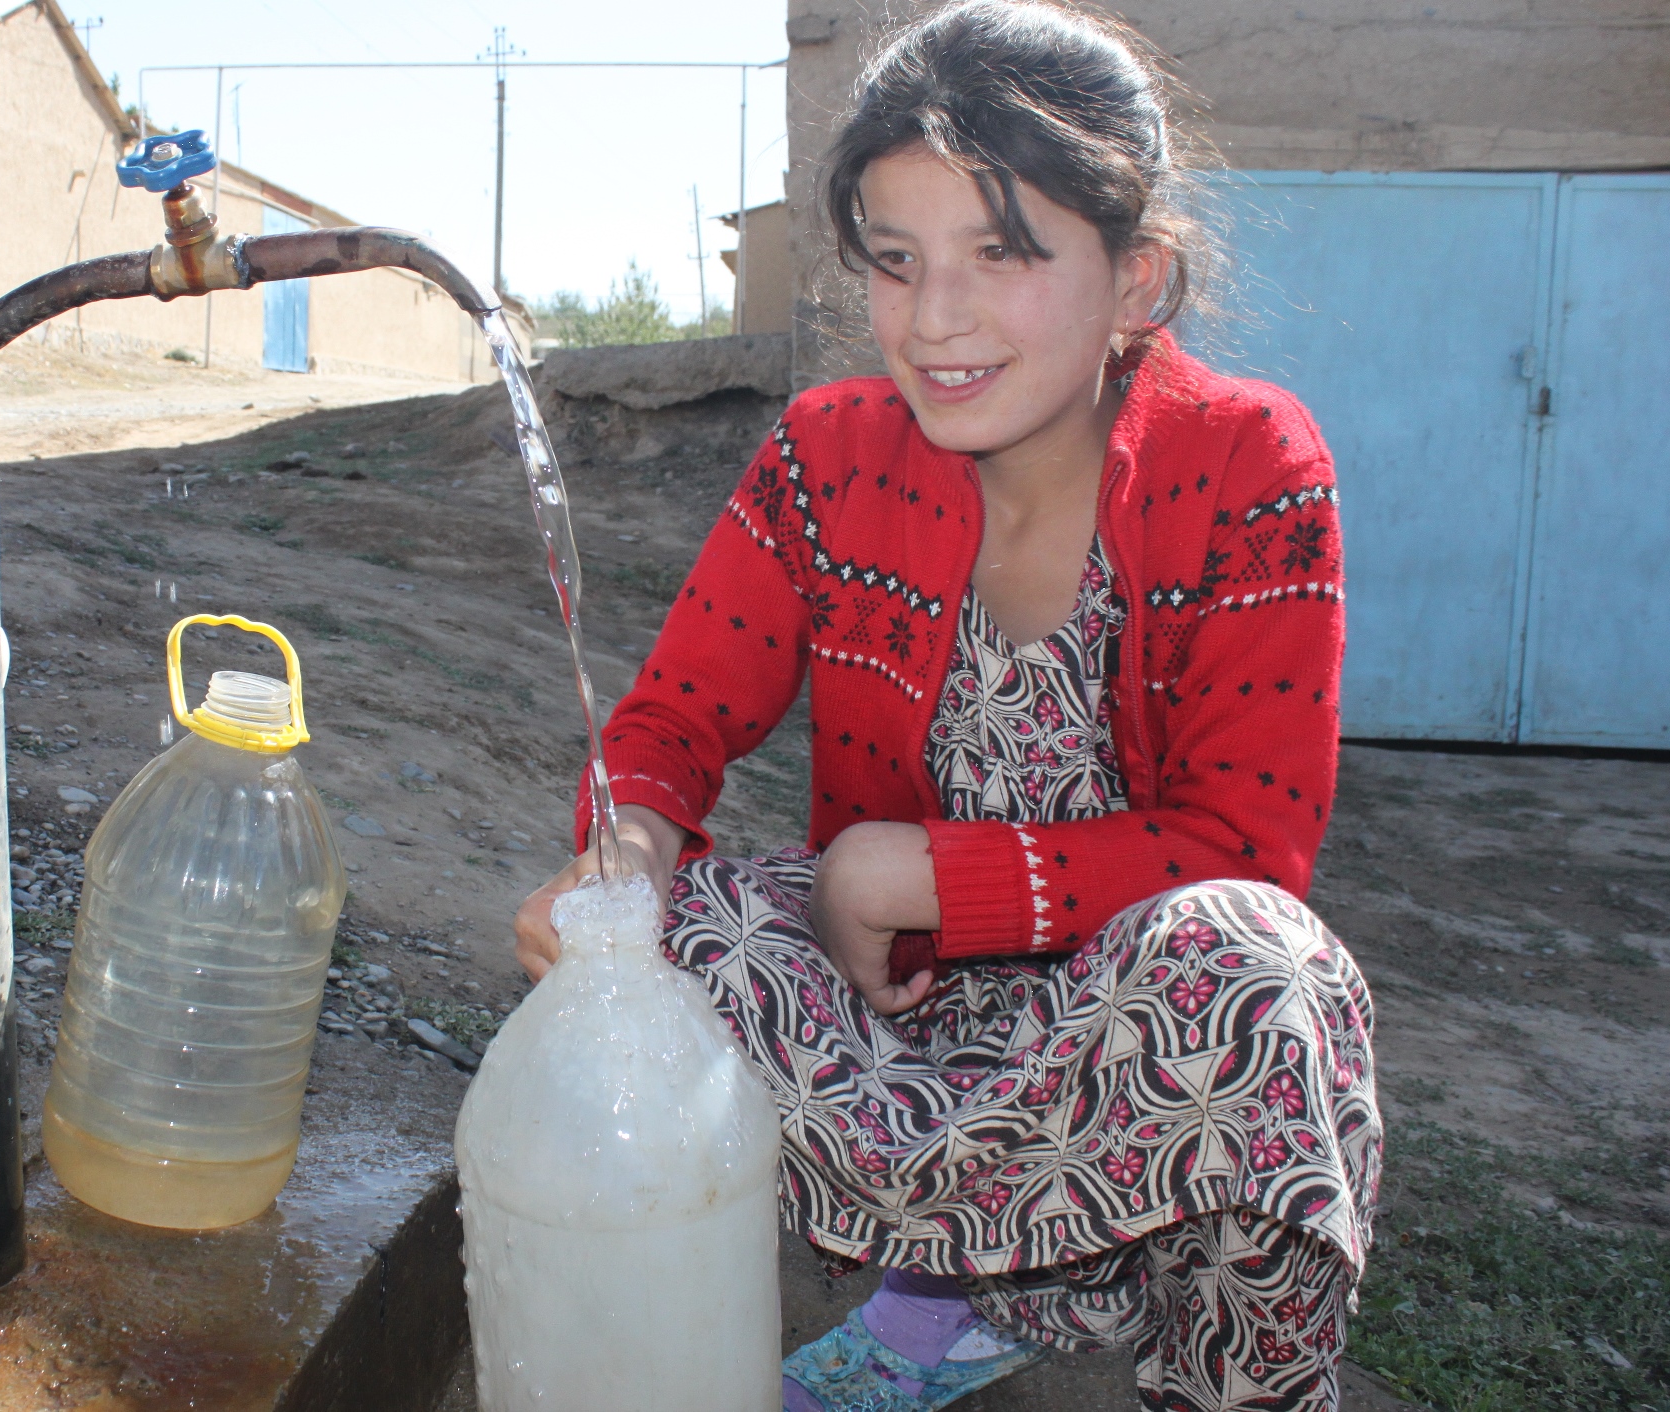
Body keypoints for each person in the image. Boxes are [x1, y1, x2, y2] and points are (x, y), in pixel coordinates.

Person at [511, 3, 1381, 1409]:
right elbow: (671, 724)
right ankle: (947, 1303)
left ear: (1137, 279)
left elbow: (1249, 844)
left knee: (1257, 971)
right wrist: (623, 857)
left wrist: (914, 872)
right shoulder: (827, 456)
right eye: (896, 260)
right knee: (674, 933)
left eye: (1003, 254)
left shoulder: (1247, 465)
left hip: (1135, 1045)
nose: (934, 319)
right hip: (907, 1029)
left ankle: (1217, 1379)